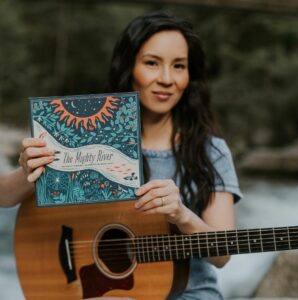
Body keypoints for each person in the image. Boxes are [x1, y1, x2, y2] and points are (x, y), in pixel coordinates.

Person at [1, 11, 242, 300]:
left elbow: (222, 255)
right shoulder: (89, 137)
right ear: (129, 67)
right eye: (152, 63)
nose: (166, 79)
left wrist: (181, 215)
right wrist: (31, 170)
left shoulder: (210, 151)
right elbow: (4, 197)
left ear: (190, 76)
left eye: (179, 66)